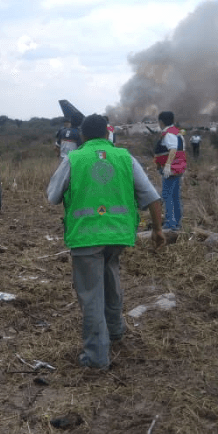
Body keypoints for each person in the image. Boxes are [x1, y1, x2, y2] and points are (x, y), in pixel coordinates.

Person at [47, 114, 165, 369]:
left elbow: (53, 196)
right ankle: (116, 331)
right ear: (107, 134)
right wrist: (157, 230)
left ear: (83, 136)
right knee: (111, 279)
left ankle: (96, 357)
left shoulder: (74, 159)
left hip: (86, 237)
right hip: (119, 235)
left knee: (91, 296)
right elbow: (152, 198)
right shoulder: (125, 157)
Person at [153, 111, 187, 231]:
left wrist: (167, 166)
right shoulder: (177, 132)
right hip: (178, 168)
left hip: (171, 170)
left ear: (161, 122)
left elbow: (173, 149)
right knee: (175, 196)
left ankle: (171, 224)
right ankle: (177, 222)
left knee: (167, 196)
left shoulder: (169, 134)